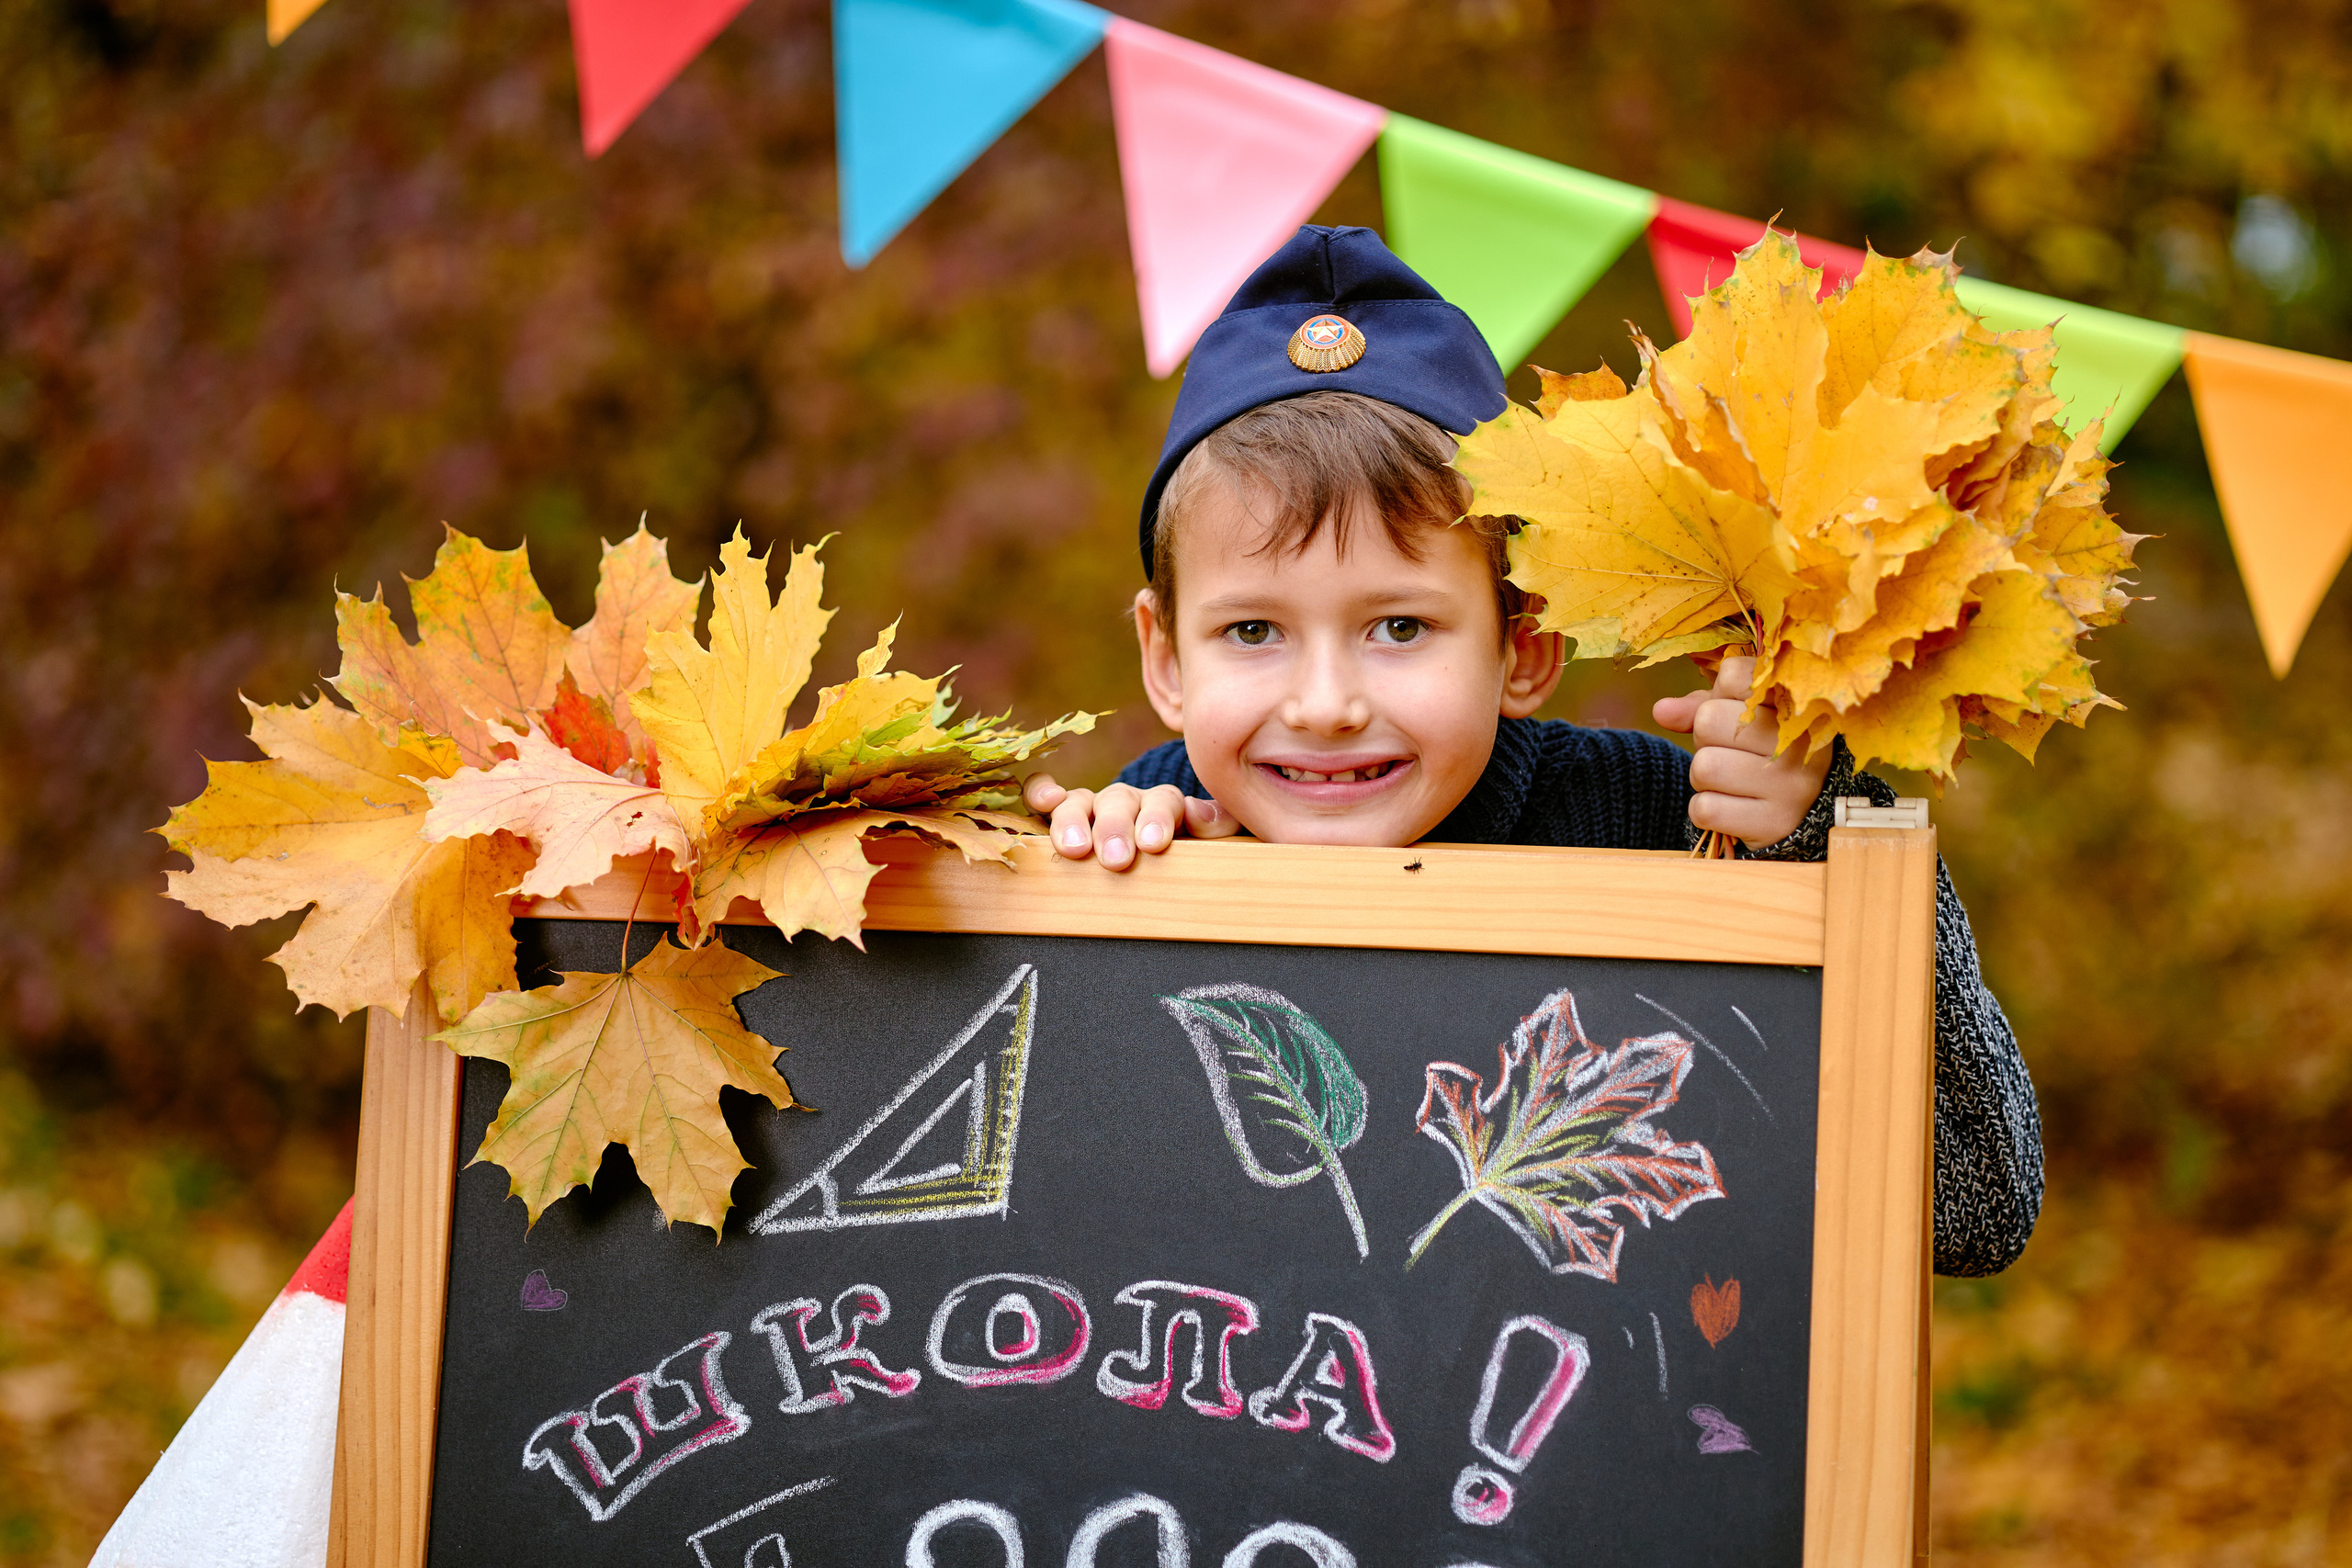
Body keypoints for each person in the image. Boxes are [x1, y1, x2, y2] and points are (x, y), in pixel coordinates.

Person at [1023, 225, 2041, 1277]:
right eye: (1252, 632)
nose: (1324, 705)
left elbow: (1974, 1210)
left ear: (1524, 648)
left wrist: (1816, 845)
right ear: (1166, 658)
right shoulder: (1154, 832)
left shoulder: (1671, 825)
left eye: (1399, 628)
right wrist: (1079, 897)